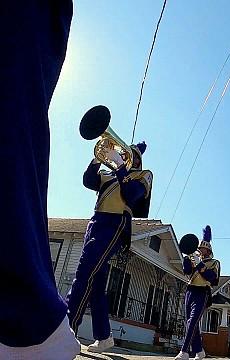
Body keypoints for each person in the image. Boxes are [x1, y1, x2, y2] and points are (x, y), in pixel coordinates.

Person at [0, 2, 77, 359]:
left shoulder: (135, 175)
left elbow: (135, 198)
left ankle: (31, 331)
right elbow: (91, 178)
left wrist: (125, 170)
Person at [67, 141, 153, 353]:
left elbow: (132, 195)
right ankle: (104, 336)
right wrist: (98, 159)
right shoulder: (108, 173)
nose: (123, 155)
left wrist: (121, 166)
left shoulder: (143, 175)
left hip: (116, 223)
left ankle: (66, 328)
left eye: (129, 154)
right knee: (96, 281)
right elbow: (88, 181)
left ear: (138, 160)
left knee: (85, 269)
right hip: (95, 222)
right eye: (122, 153)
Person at [175, 226, 220, 360]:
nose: (200, 250)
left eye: (203, 248)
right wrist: (187, 260)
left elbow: (212, 278)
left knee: (193, 321)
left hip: (203, 292)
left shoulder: (214, 262)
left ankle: (184, 351)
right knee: (189, 322)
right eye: (199, 248)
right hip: (190, 290)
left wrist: (200, 264)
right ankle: (199, 351)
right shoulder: (193, 257)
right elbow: (187, 272)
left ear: (209, 250)